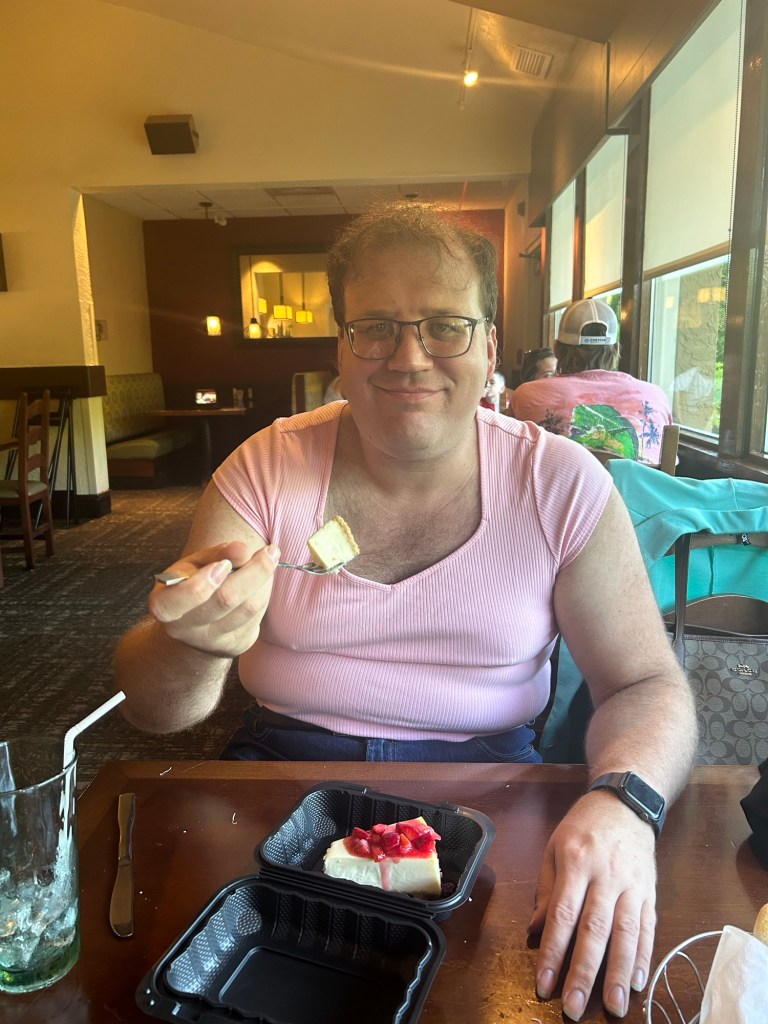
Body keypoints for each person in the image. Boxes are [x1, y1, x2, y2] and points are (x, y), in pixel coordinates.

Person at [114, 202, 696, 1022]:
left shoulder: (562, 483)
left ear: (490, 348)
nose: (409, 356)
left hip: (494, 791)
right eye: (376, 328)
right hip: (281, 773)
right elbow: (155, 712)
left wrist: (626, 804)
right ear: (340, 349)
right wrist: (194, 643)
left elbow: (645, 684)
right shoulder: (266, 469)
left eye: (445, 326)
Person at [510, 300, 674, 466]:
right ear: (616, 349)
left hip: (558, 484)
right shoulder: (657, 396)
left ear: (556, 349)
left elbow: (509, 459)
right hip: (637, 485)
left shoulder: (526, 395)